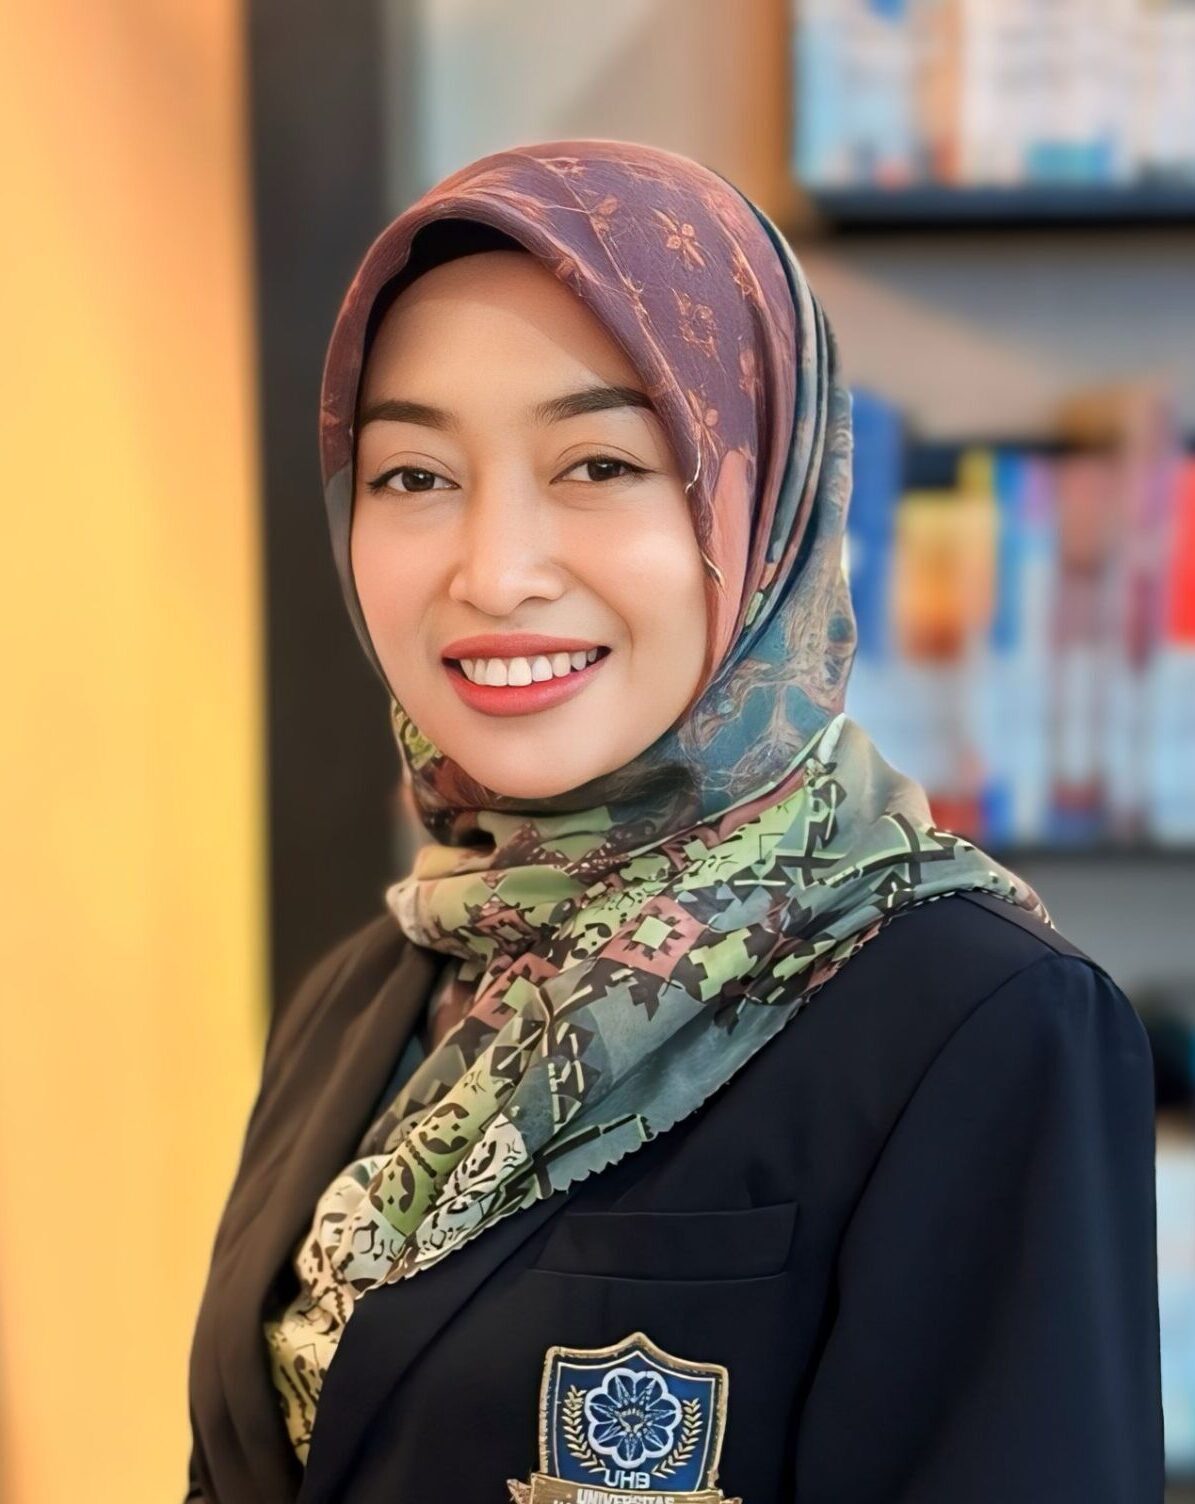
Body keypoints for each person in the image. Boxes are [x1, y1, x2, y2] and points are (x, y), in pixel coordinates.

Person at [184, 140, 1164, 1504]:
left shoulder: (974, 1021)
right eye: (414, 475)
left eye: (598, 462)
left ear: (762, 499)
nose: (495, 572)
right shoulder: (366, 995)